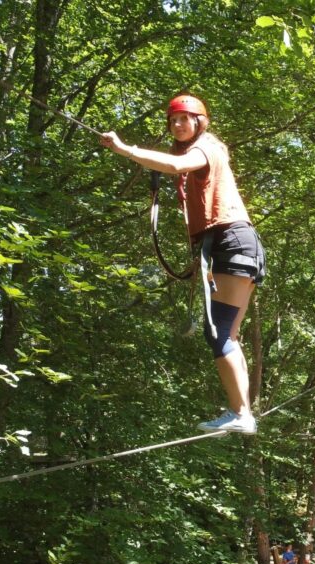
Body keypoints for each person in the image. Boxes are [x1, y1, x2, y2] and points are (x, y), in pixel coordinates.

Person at [100, 94, 265, 435]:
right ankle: (241, 410)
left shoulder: (207, 147)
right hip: (233, 245)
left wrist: (125, 150)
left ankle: (241, 414)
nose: (177, 125)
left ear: (199, 122)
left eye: (184, 119)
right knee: (227, 333)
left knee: (217, 331)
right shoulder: (200, 152)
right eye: (173, 120)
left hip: (231, 243)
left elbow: (175, 165)